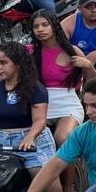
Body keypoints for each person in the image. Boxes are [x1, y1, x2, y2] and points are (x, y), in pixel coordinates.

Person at [0, 42, 57, 184]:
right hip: (1, 142)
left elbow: (40, 120)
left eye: (3, 63)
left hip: (32, 143)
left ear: (18, 64)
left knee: (49, 191)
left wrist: (30, 137)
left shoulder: (35, 88)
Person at [28, 9, 87, 149]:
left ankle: (74, 172)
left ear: (54, 26)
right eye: (36, 26)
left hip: (68, 106)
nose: (40, 29)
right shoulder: (29, 52)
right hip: (39, 106)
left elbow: (93, 83)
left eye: (45, 25)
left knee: (62, 139)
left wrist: (88, 66)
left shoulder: (72, 51)